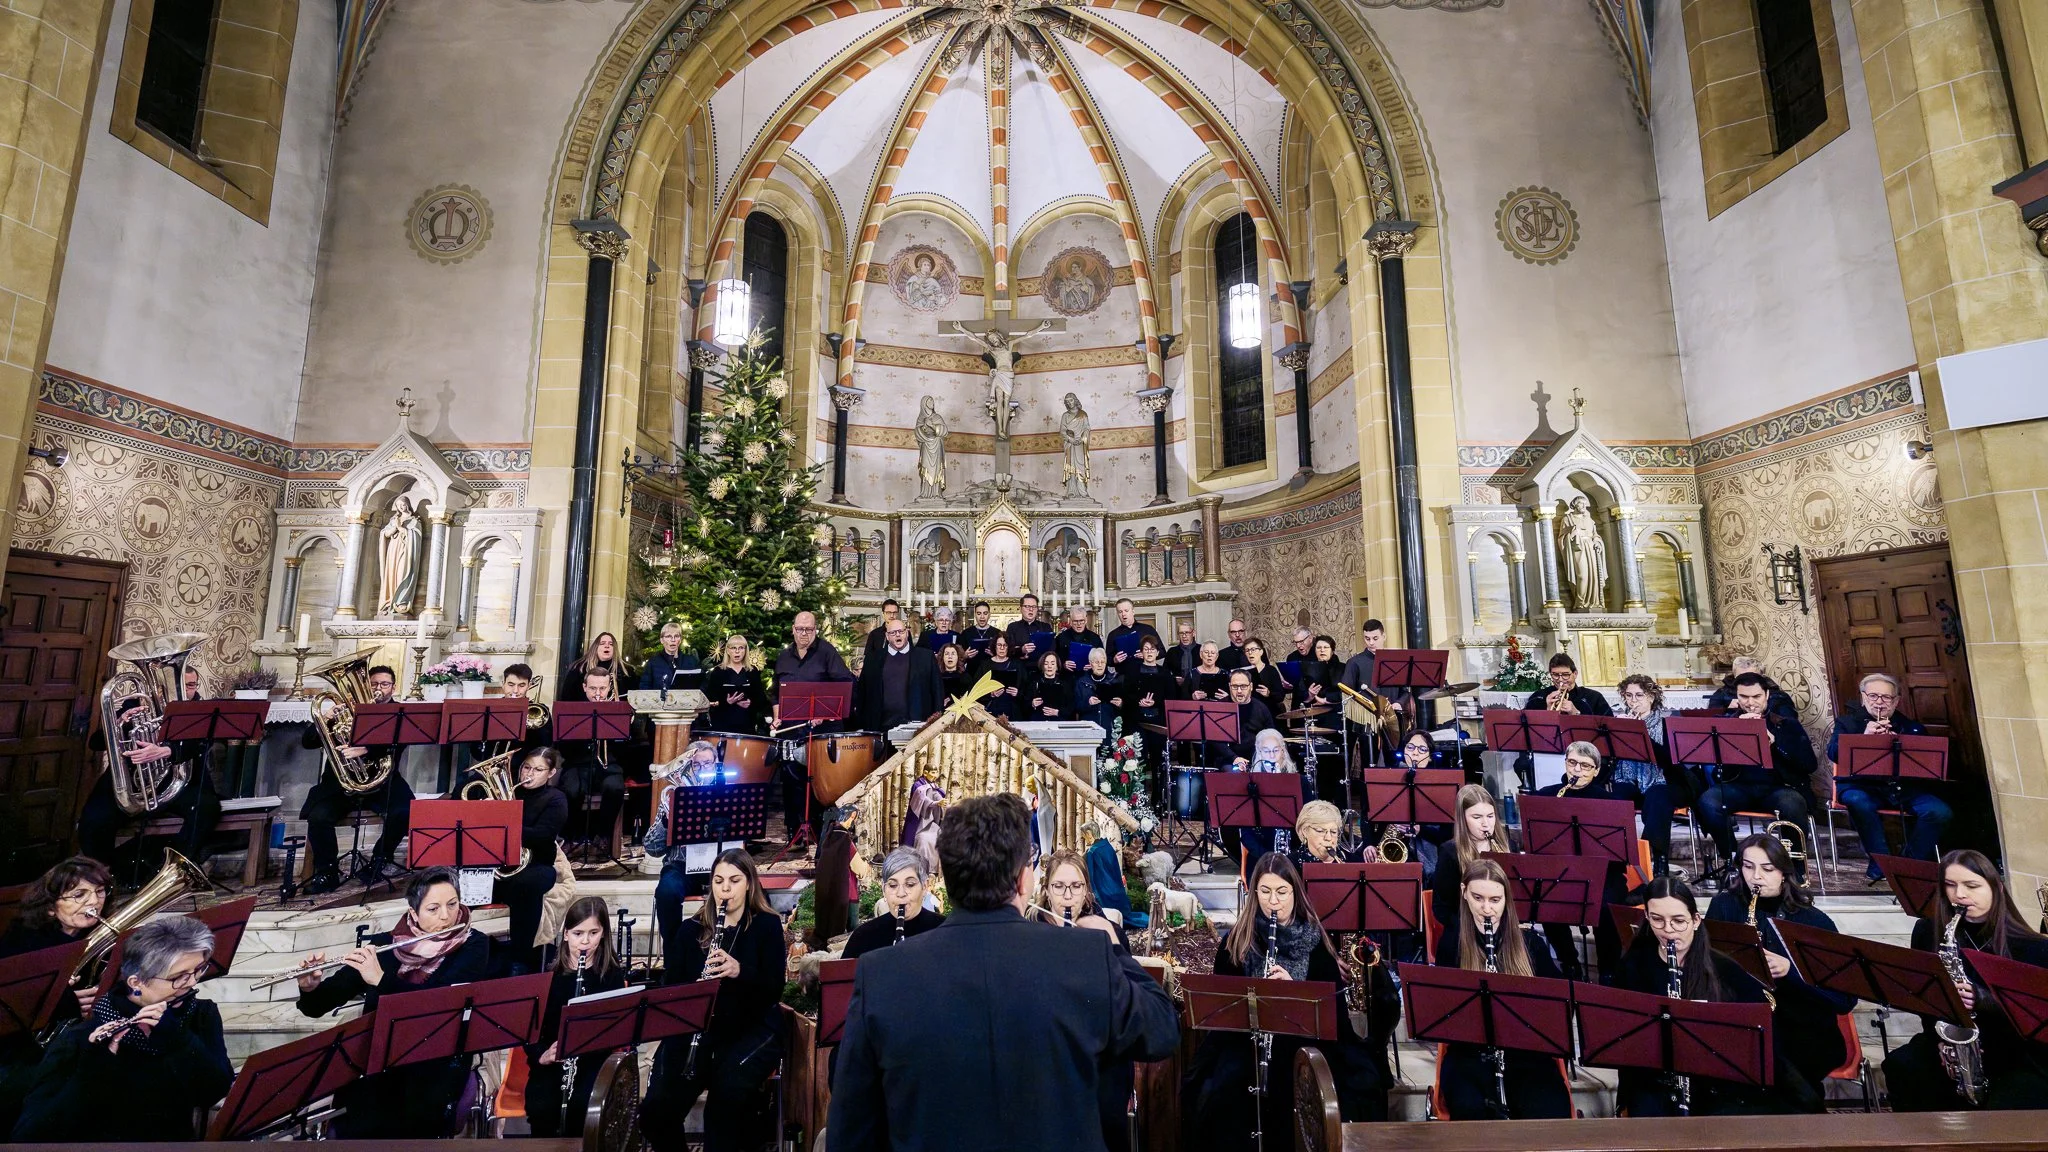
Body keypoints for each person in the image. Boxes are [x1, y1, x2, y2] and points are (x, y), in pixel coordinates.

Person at [828, 794, 1179, 1152]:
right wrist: (1114, 947)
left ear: (944, 879)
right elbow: (1161, 1031)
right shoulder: (1085, 957)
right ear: (1024, 880)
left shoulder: (882, 974)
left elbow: (850, 1131)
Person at [1183, 853, 1397, 1149]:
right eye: (1265, 892)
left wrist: (1295, 991)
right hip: (1246, 1042)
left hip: (1305, 1042)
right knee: (1217, 1093)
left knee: (1330, 1087)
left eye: (1282, 892)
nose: (1274, 902)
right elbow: (1223, 1013)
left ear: (1295, 893)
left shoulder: (1315, 942)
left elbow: (1331, 1016)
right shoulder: (1237, 942)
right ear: (1254, 893)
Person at [295, 868, 491, 1137]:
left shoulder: (473, 945)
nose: (446, 916)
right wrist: (310, 988)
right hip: (379, 1066)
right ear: (413, 914)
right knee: (363, 1117)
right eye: (433, 909)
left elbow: (436, 1003)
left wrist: (381, 980)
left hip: (436, 1064)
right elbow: (316, 1007)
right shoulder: (383, 946)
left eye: (452, 904)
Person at [10, 915, 231, 1142]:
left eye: (198, 970)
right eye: (179, 977)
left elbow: (213, 1092)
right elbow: (31, 1134)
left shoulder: (201, 1015)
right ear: (136, 983)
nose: (193, 983)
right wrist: (93, 1067)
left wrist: (177, 1038)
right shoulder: (80, 1037)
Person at [1611, 876, 1813, 1115]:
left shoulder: (1725, 969)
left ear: (1696, 920)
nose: (1668, 930)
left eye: (1678, 921)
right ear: (1647, 918)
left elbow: (1761, 1035)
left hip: (1718, 1082)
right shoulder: (1633, 966)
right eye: (1657, 920)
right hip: (1655, 1080)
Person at [642, 850, 789, 1152]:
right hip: (696, 1030)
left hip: (750, 1029)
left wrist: (740, 970)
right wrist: (692, 993)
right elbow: (669, 987)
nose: (726, 889)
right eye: (719, 881)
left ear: (749, 884)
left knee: (724, 1108)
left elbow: (775, 989)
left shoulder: (766, 926)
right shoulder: (690, 930)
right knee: (656, 1112)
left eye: (734, 881)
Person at [1881, 848, 2048, 1112]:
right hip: (1953, 1040)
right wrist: (1941, 1041)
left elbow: (2038, 1016)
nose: (1959, 894)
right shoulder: (1929, 932)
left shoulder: (2032, 948)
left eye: (1972, 885)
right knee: (1902, 1065)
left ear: (1997, 889)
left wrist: (1983, 999)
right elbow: (1924, 1000)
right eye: (1950, 885)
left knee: (2011, 1103)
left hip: (2015, 1048)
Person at [1705, 833, 1854, 1102]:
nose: (1755, 877)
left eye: (1767, 869)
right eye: (1748, 867)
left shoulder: (1813, 921)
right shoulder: (1724, 906)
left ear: (1785, 873)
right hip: (1747, 1024)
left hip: (1803, 1031)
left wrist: (1791, 970)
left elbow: (1844, 999)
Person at [1432, 858, 1572, 1119]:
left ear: (1506, 900)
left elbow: (1560, 1005)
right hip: (1470, 1055)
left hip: (1526, 1054)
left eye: (1495, 900)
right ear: (1464, 894)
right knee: (1471, 1108)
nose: (1486, 909)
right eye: (1478, 898)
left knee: (1548, 1109)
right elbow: (1444, 1012)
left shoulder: (1530, 944)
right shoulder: (1452, 944)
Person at [1036, 848, 1138, 1152]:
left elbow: (1129, 997)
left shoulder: (1108, 931)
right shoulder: (1031, 935)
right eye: (1059, 886)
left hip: (1101, 1053)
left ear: (1086, 891)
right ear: (1046, 890)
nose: (1068, 896)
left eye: (1076, 886)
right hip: (1048, 1053)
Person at [76, 662, 222, 868]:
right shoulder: (136, 704)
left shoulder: (199, 710)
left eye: (192, 685)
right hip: (133, 782)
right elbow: (96, 742)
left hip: (178, 782)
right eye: (183, 685)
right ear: (161, 685)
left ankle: (172, 868)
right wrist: (118, 725)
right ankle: (107, 873)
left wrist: (165, 751)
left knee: (207, 808)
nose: (188, 691)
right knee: (93, 819)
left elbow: (202, 744)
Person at [0, 856, 111, 1103]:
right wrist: (65, 1001)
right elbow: (12, 1003)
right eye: (79, 895)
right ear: (51, 906)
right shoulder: (23, 940)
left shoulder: (104, 938)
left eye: (100, 891)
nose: (94, 901)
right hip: (24, 1048)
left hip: (81, 1038)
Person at [300, 663, 414, 894]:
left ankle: (380, 860)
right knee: (319, 816)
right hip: (340, 783)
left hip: (381, 781)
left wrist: (367, 750)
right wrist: (324, 719)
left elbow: (399, 744)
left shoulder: (398, 712)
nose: (379, 688)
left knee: (405, 810)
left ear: (393, 687)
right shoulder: (343, 709)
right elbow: (308, 742)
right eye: (373, 684)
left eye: (384, 684)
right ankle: (327, 871)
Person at [1828, 672, 1948, 884]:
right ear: (1863, 697)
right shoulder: (1847, 723)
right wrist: (1864, 738)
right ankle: (1880, 863)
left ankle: (1908, 865)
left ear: (1896, 701)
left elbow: (1926, 767)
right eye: (1873, 696)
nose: (1880, 702)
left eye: (1886, 698)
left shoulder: (1910, 726)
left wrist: (1897, 745)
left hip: (1902, 789)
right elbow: (1833, 753)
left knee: (1939, 811)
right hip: (1861, 786)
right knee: (1858, 802)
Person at [526, 896, 628, 1138]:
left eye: (593, 933)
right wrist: (541, 1053)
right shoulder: (547, 974)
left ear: (603, 934)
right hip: (552, 1061)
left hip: (594, 1061)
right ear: (565, 935)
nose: (585, 941)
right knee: (542, 1108)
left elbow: (618, 1028)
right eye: (577, 933)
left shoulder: (611, 975)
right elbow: (527, 1030)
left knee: (584, 1106)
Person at [1699, 672, 1817, 878]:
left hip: (1778, 788)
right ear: (1737, 696)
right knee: (1708, 802)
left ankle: (1795, 868)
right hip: (1739, 787)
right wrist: (1734, 732)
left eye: (1756, 697)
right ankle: (1733, 859)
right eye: (1744, 697)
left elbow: (1809, 764)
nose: (1750, 703)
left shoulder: (1785, 724)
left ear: (1767, 695)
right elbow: (1718, 770)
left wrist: (1775, 743)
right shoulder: (1725, 724)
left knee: (1793, 804)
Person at [771, 610, 856, 833]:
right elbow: (774, 692)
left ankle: (819, 830)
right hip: (792, 729)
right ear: (793, 629)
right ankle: (795, 830)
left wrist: (824, 711)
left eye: (809, 630)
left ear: (815, 630)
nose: (804, 634)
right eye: (800, 629)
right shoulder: (784, 656)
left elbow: (845, 684)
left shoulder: (827, 652)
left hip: (821, 731)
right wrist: (778, 715)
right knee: (791, 780)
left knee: (818, 781)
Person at [495, 747, 567, 972]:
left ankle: (520, 958)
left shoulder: (556, 799)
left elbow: (543, 835)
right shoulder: (506, 794)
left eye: (538, 769)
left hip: (538, 864)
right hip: (500, 866)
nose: (529, 774)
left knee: (529, 885)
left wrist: (504, 820)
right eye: (526, 767)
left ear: (551, 773)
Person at [559, 665, 631, 846]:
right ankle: (571, 837)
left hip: (608, 765)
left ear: (609, 688)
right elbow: (561, 748)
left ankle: (603, 837)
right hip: (577, 764)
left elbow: (627, 749)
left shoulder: (619, 712)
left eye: (602, 688)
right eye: (592, 688)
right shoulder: (572, 711)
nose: (597, 693)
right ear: (584, 687)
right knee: (571, 789)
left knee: (614, 787)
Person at [1615, 673, 1679, 877]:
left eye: (1639, 695)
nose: (1633, 701)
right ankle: (1618, 860)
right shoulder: (1619, 723)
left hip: (1659, 779)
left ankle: (1660, 859)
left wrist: (1641, 734)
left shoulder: (1666, 725)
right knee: (1615, 797)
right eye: (1628, 695)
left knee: (1658, 798)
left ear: (1651, 697)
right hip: (1627, 778)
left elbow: (1669, 762)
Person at [1433, 784, 1512, 931]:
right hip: (1464, 930)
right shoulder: (1450, 852)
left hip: (1503, 928)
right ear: (1462, 819)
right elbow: (1441, 909)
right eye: (1477, 817)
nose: (1485, 824)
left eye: (1490, 816)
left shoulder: (1507, 846)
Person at [843, 847, 945, 959]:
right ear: (883, 890)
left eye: (910, 884)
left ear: (925, 886)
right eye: (892, 885)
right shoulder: (863, 936)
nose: (901, 893)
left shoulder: (945, 932)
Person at [855, 616, 942, 736]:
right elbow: (862, 693)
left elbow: (937, 690)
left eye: (901, 631)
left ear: (906, 633)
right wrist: (861, 724)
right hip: (880, 726)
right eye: (893, 632)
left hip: (917, 725)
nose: (897, 635)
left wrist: (937, 720)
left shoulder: (925, 657)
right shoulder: (873, 659)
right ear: (887, 636)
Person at [699, 634, 768, 736]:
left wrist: (751, 702)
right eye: (733, 648)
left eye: (741, 648)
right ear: (728, 650)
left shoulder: (752, 671)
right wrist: (726, 702)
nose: (737, 651)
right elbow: (709, 699)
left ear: (745, 650)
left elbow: (762, 700)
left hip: (747, 725)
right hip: (723, 726)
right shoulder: (718, 672)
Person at [1706, 656, 1800, 726]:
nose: (1747, 680)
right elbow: (1711, 723)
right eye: (1741, 677)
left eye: (1752, 676)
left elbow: (1789, 725)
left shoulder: (1779, 696)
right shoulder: (1722, 694)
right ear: (1734, 676)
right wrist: (1728, 710)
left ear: (1762, 676)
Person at [1523, 653, 1612, 717]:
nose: (1560, 679)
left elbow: (1607, 725)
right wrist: (1547, 710)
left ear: (1575, 674)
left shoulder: (1594, 697)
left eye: (1565, 675)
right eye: (1555, 675)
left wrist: (1576, 713)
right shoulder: (1538, 696)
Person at [1290, 799, 1363, 869]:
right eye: (1320, 831)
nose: (1328, 838)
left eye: (1333, 832)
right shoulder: (1289, 865)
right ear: (1304, 831)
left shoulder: (1356, 863)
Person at [564, 632, 629, 702]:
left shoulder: (625, 671)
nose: (607, 646)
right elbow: (566, 697)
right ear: (595, 647)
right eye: (602, 643)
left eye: (611, 644)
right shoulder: (579, 669)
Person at [640, 622, 703, 694]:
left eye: (676, 636)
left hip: (685, 703)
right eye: (668, 636)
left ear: (680, 639)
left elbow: (701, 685)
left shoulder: (691, 661)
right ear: (662, 640)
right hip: (660, 704)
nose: (673, 640)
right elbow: (644, 689)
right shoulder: (653, 663)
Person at [972, 633, 1023, 720]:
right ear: (994, 646)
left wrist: (1017, 693)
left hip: (1012, 709)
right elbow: (975, 689)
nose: (1002, 648)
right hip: (991, 709)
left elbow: (1026, 688)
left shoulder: (1017, 665)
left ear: (1009, 647)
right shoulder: (985, 665)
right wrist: (990, 694)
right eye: (999, 645)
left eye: (1005, 645)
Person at [1071, 647, 1121, 735]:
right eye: (1096, 662)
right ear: (1090, 664)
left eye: (1103, 662)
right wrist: (1088, 703)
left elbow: (1125, 708)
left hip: (1109, 728)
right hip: (1088, 729)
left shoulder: (1114, 681)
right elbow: (1075, 707)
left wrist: (1120, 704)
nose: (1100, 665)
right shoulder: (1081, 682)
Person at [1105, 599, 1160, 670]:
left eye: (1126, 611)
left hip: (1146, 673)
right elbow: (1107, 660)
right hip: (1123, 676)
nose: (1123, 614)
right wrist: (1114, 660)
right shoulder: (1113, 634)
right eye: (1120, 612)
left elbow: (1161, 651)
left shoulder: (1148, 629)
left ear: (1133, 612)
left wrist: (1147, 655)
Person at [1295, 634, 1342, 713]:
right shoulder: (1306, 668)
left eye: (1326, 647)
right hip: (1314, 713)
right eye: (1319, 648)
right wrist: (1310, 695)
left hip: (1336, 713)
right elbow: (1300, 694)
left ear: (1332, 651)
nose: (1322, 650)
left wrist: (1325, 700)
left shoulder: (1343, 668)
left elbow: (1346, 693)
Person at [1025, 648, 1071, 721]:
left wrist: (1058, 712)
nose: (1049, 666)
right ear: (1042, 666)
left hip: (1058, 721)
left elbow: (1070, 707)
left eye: (1052, 663)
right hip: (1038, 721)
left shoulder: (1064, 685)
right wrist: (1032, 704)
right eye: (1046, 663)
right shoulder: (1034, 683)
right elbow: (1024, 704)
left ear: (1057, 666)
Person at [1057, 606, 1104, 675]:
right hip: (1067, 678)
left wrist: (1094, 666)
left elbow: (1103, 659)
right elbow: (1054, 658)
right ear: (1070, 621)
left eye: (1081, 620)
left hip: (1089, 678)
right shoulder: (1061, 637)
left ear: (1086, 620)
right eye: (1075, 621)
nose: (1079, 624)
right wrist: (1063, 664)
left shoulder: (1095, 638)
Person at [1002, 593, 1049, 662]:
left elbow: (1052, 650)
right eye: (1027, 606)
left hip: (1040, 667)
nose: (1031, 609)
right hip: (1018, 667)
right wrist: (1022, 650)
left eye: (1034, 606)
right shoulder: (1012, 627)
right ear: (1020, 608)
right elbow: (1007, 650)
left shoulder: (1045, 627)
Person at [1240, 638, 1286, 709]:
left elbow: (1280, 696)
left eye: (1253, 649)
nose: (1250, 653)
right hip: (1251, 711)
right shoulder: (1244, 673)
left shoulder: (1271, 670)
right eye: (1247, 650)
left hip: (1268, 710)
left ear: (1261, 652)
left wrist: (1268, 693)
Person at [864, 599, 905, 667]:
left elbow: (910, 655)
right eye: (888, 612)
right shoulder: (875, 634)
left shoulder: (904, 633)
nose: (892, 616)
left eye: (894, 612)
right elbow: (868, 657)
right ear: (883, 613)